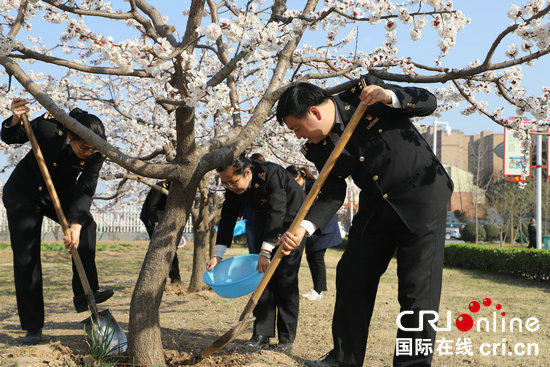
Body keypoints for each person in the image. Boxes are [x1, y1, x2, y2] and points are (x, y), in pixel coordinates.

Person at [275, 75, 454, 367]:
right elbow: (332, 191)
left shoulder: (364, 96)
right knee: (352, 275)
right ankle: (343, 359)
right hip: (376, 205)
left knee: (417, 291)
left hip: (420, 197)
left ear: (315, 113)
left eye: (297, 127)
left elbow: (428, 101)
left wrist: (389, 95)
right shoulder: (318, 146)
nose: (297, 136)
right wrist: (304, 229)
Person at [2, 98, 114, 345]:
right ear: (70, 137)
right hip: (24, 193)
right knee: (27, 257)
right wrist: (15, 118)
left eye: (93, 149)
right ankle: (33, 326)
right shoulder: (48, 126)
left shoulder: (97, 150)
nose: (89, 153)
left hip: (60, 191)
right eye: (84, 148)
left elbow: (86, 187)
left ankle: (85, 293)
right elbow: (13, 136)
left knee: (86, 226)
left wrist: (75, 225)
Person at [206, 155, 306, 353]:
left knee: (285, 279)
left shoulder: (272, 174)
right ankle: (262, 334)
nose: (230, 187)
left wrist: (265, 251)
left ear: (248, 172)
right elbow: (227, 217)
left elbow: (277, 211)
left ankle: (286, 339)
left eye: (233, 182)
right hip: (262, 221)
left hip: (292, 222)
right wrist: (218, 254)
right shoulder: (232, 187)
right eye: (225, 183)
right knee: (260, 277)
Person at [286, 165, 341, 301]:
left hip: (323, 225)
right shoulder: (299, 188)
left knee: (317, 257)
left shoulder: (313, 186)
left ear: (299, 176)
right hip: (310, 227)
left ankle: (319, 291)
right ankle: (317, 289)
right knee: (312, 256)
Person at [139, 180, 183, 284]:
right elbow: (151, 207)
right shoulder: (160, 187)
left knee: (171, 248)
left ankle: (175, 278)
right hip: (152, 217)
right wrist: (155, 223)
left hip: (165, 217)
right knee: (158, 247)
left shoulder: (181, 189)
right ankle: (154, 278)